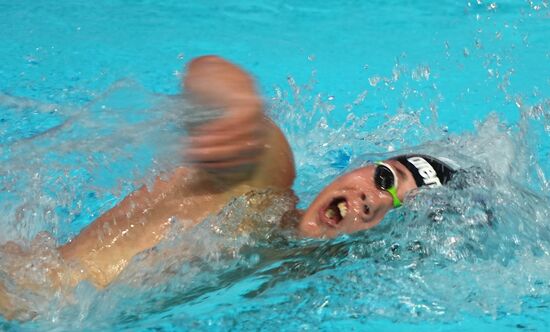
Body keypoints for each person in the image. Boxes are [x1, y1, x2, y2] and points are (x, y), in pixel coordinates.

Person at [0, 56, 458, 318]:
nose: (371, 201)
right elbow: (209, 70)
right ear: (358, 169)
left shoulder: (296, 281)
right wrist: (240, 105)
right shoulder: (262, 183)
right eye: (383, 179)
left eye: (391, 212)